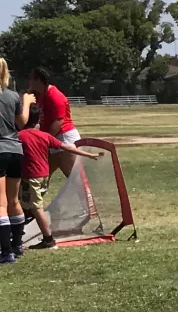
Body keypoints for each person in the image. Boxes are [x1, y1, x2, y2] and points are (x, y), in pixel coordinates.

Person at [17, 117, 105, 253]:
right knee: (25, 204)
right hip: (43, 175)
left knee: (36, 208)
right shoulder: (45, 135)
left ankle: (48, 240)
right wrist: (88, 154)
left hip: (31, 176)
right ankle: (18, 235)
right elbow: (68, 147)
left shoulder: (20, 136)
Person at [25, 67, 79, 180]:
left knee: (74, 177)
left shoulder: (54, 95)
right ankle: (33, 198)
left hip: (64, 137)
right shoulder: (39, 95)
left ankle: (88, 198)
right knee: (40, 175)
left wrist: (45, 140)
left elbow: (59, 121)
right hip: (51, 138)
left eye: (30, 79)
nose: (28, 81)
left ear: (38, 80)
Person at [0, 59, 25, 264]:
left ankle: (6, 251)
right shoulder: (13, 95)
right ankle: (17, 245)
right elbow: (22, 123)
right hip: (16, 150)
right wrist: (26, 103)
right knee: (14, 201)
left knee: (0, 203)